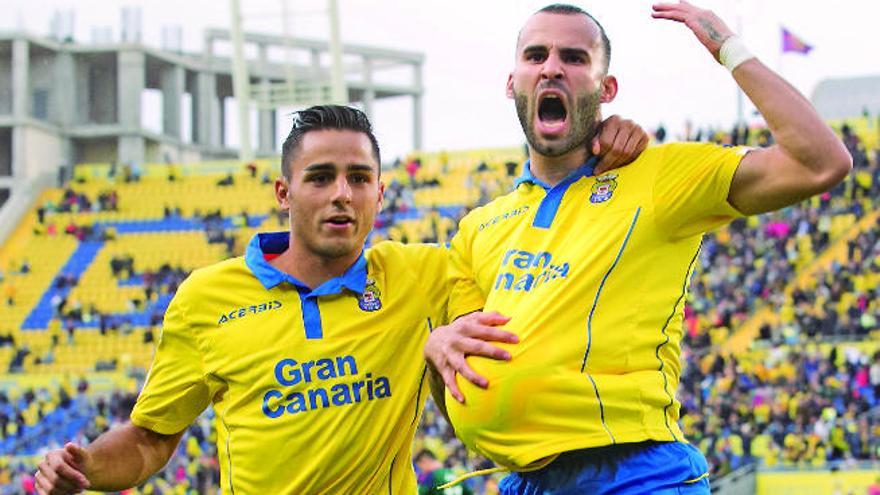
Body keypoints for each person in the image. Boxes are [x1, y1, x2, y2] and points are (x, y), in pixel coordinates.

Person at [34, 105, 647, 494]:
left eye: (358, 179)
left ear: (381, 192)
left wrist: (600, 148)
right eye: (320, 177)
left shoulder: (422, 274)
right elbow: (150, 440)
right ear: (284, 190)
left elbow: (544, 245)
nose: (342, 196)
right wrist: (85, 468)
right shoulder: (206, 297)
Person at [425, 2, 851, 494]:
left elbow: (820, 163)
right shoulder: (478, 228)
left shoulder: (658, 177)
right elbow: (465, 374)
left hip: (634, 474)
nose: (552, 67)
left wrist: (728, 49)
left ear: (606, 89)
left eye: (575, 57)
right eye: (536, 55)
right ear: (511, 83)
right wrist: (435, 347)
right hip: (522, 482)